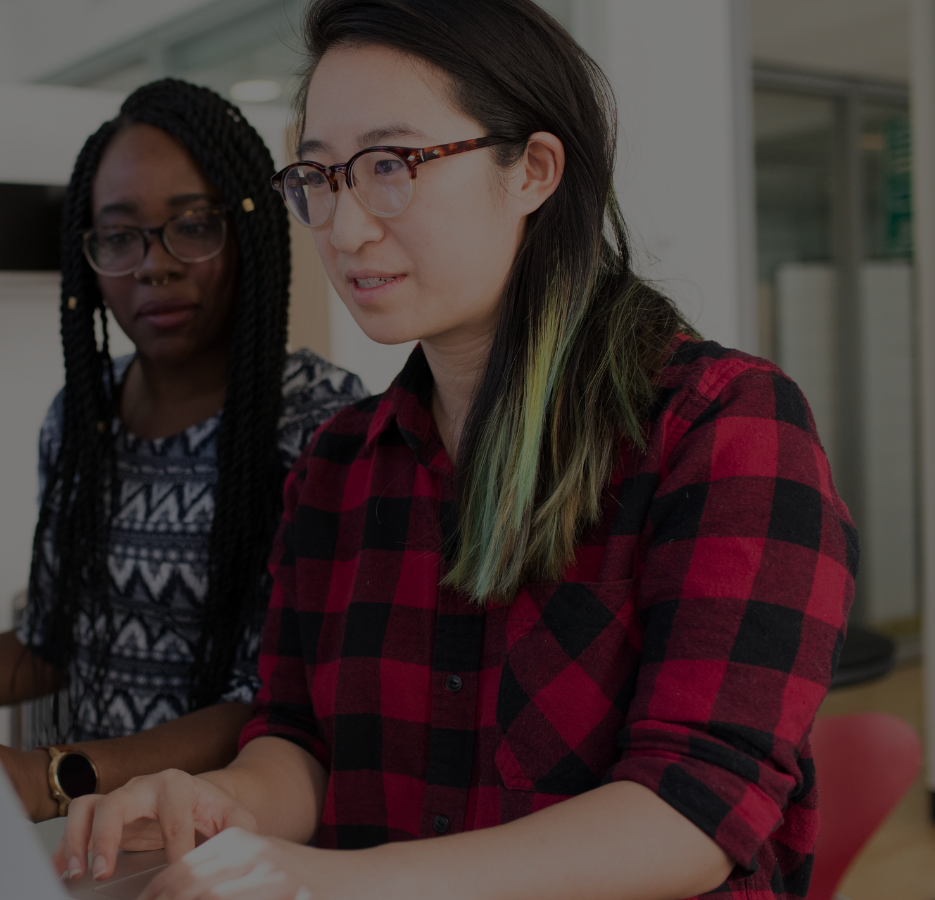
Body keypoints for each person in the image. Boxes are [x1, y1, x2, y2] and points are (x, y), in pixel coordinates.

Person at [55, 2, 855, 898]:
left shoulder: (722, 426)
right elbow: (300, 743)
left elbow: (694, 808)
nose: (345, 228)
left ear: (535, 171)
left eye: (392, 166)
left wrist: (338, 882)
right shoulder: (338, 462)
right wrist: (217, 803)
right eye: (319, 177)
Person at [0, 79, 367, 823]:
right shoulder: (81, 419)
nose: (154, 264)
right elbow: (51, 639)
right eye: (119, 236)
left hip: (230, 836)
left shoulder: (319, 425)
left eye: (193, 226)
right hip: (96, 838)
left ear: (249, 231)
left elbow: (273, 702)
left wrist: (51, 778)